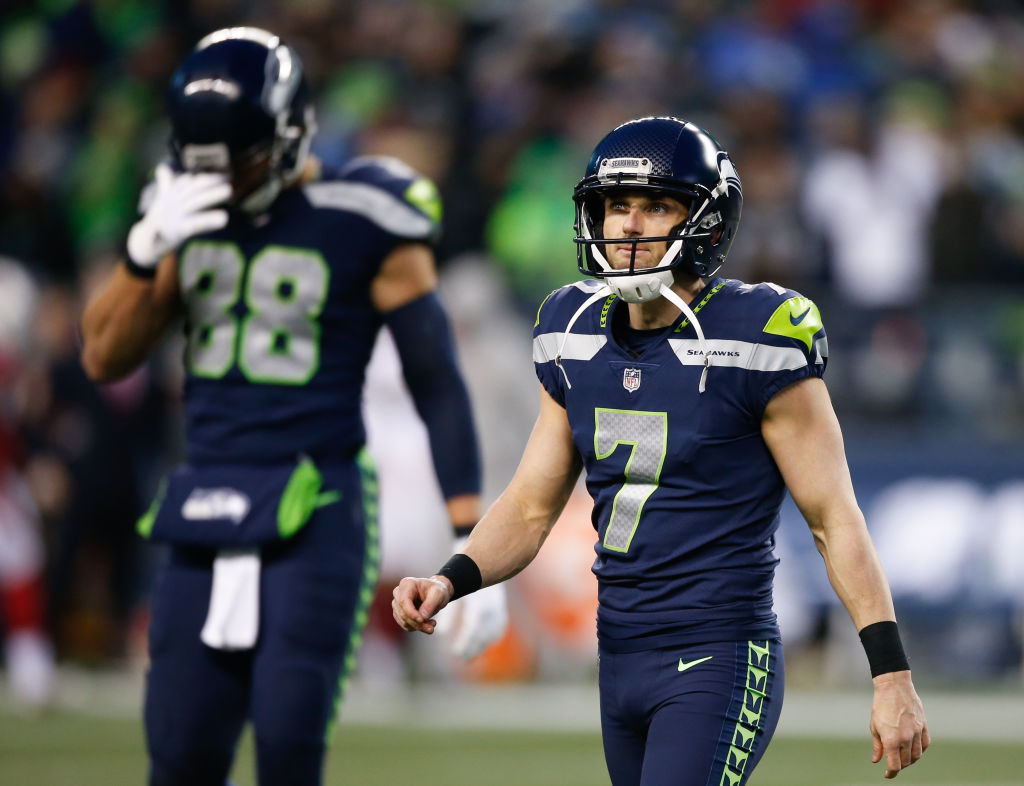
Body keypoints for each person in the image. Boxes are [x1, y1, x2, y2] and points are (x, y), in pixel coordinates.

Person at [393, 116, 930, 785]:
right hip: (618, 653)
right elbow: (531, 506)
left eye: (655, 205)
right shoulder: (570, 330)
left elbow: (834, 518)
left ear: (705, 221)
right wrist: (451, 578)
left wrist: (890, 674)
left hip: (718, 653)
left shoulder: (758, 337)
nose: (630, 224)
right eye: (617, 205)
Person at [81, 26, 505, 786]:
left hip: (319, 501)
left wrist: (469, 543)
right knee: (179, 757)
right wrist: (144, 253)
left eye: (242, 162)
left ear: (289, 132)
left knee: (287, 748)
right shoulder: (185, 210)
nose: (230, 184)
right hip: (204, 494)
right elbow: (104, 357)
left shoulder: (368, 213)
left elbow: (435, 380)